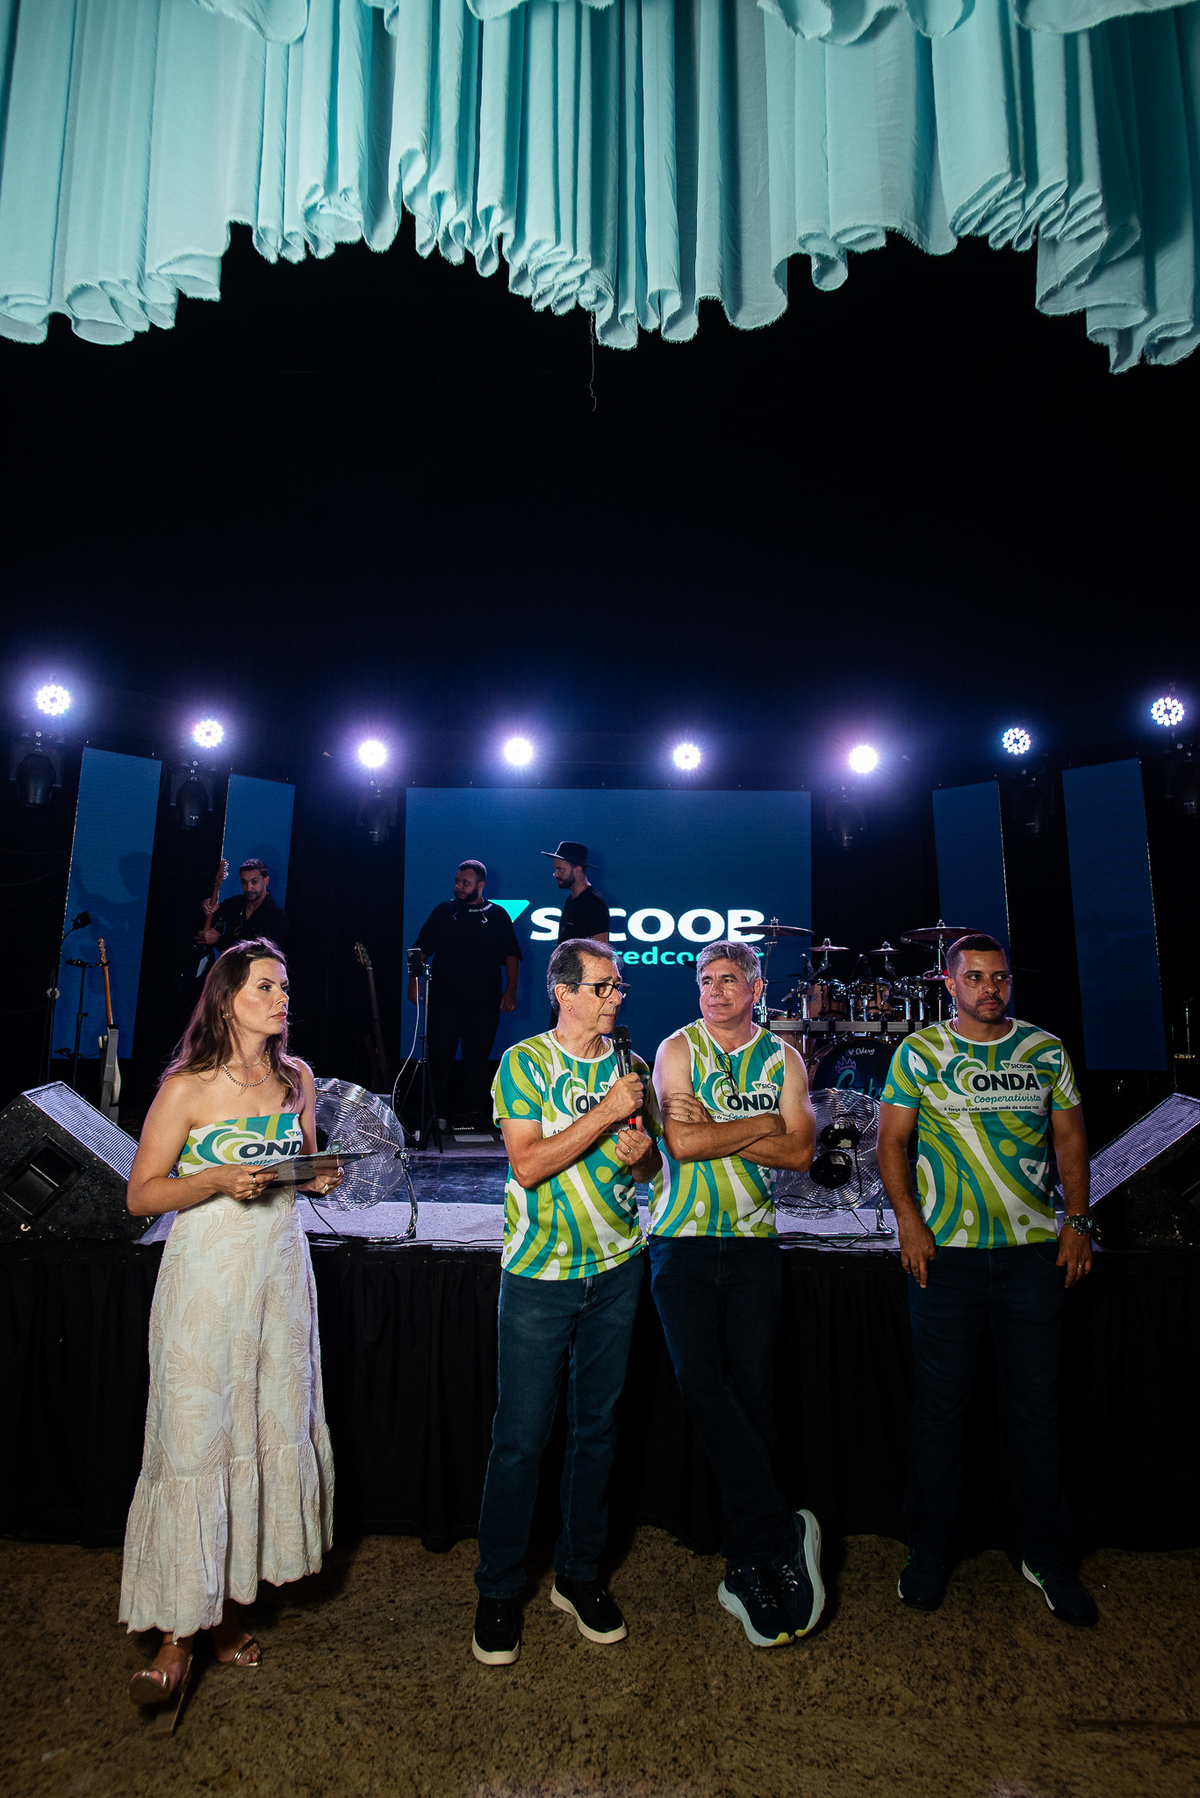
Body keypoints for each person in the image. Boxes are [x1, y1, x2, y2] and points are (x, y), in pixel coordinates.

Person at [119, 938, 343, 1723]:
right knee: (196, 1442)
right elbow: (141, 1195)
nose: (282, 999)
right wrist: (212, 1179)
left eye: (284, 987)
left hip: (279, 1278)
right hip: (206, 1282)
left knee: (255, 1431)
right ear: (225, 999)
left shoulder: (295, 1079)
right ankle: (176, 1637)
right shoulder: (186, 1088)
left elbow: (303, 1172)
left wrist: (320, 1174)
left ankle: (226, 1610)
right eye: (265, 987)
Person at [876, 933, 1097, 1625]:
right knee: (941, 1411)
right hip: (948, 1259)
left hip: (1032, 1257)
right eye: (974, 978)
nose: (990, 988)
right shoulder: (921, 1052)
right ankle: (929, 1549)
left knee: (1037, 1412)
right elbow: (891, 1143)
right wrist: (909, 1222)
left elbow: (1070, 1139)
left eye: (999, 977)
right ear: (950, 984)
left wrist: (1078, 1222)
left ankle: (1046, 1555)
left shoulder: (1045, 1050)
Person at [471, 938, 660, 1666]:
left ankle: (579, 1576)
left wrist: (644, 1157)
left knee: (598, 1431)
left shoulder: (629, 1066)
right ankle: (498, 1589)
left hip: (618, 1268)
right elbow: (527, 1164)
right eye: (603, 987)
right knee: (521, 1438)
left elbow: (646, 1169)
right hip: (539, 1277)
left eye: (619, 987)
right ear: (564, 992)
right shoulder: (524, 1063)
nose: (616, 997)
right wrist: (606, 1114)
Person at [650, 941, 823, 1648]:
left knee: (753, 1397)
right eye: (706, 980)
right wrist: (761, 1124)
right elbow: (681, 1145)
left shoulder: (785, 1058)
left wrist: (715, 1129)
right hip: (681, 1241)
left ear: (756, 989)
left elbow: (801, 1152)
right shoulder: (676, 1049)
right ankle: (782, 1532)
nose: (715, 990)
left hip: (754, 1244)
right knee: (703, 1387)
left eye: (729, 980)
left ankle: (748, 1566)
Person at [409, 859, 522, 1128]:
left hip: (484, 1004)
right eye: (457, 882)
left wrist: (511, 990)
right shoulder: (444, 911)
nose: (459, 887)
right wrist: (413, 982)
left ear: (480, 885)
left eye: (465, 883)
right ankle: (435, 1114)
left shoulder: (497, 915)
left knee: (477, 1060)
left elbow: (512, 955)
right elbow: (419, 950)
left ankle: (475, 1114)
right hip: (445, 1002)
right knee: (440, 1058)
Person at [198, 859, 290, 956]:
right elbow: (215, 913)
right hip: (227, 964)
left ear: (265, 881)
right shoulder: (236, 903)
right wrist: (208, 904)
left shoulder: (277, 917)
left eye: (254, 882)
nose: (249, 888)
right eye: (244, 882)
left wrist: (219, 940)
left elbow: (261, 954)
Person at [543, 840, 610, 944]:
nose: (555, 874)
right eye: (555, 869)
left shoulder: (594, 902)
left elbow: (602, 947)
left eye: (560, 869)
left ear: (577, 870)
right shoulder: (570, 900)